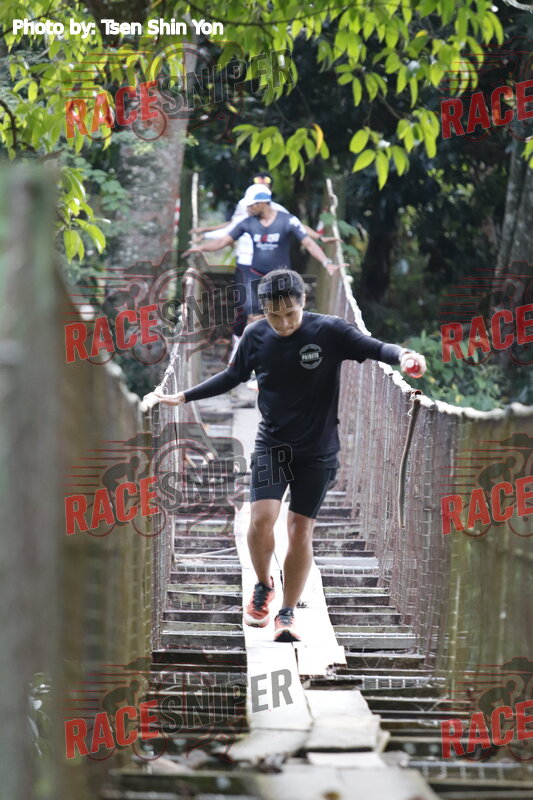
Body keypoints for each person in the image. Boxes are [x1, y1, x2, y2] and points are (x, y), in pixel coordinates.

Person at [145, 270, 427, 643]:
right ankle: (264, 584)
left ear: (303, 302)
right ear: (263, 310)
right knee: (260, 520)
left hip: (318, 451)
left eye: (290, 314)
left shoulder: (329, 331)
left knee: (299, 529)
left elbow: (375, 348)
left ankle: (288, 612)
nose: (283, 323)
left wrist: (404, 355)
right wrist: (183, 396)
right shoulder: (255, 335)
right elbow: (232, 376)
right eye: (274, 315)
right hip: (273, 445)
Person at [185, 184, 344, 337]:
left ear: (262, 203)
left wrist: (327, 262)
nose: (248, 209)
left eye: (251, 205)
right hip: (255, 277)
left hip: (281, 279)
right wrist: (201, 248)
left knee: (281, 316)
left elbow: (308, 243)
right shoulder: (248, 222)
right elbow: (223, 241)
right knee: (254, 317)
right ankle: (251, 351)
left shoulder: (287, 220)